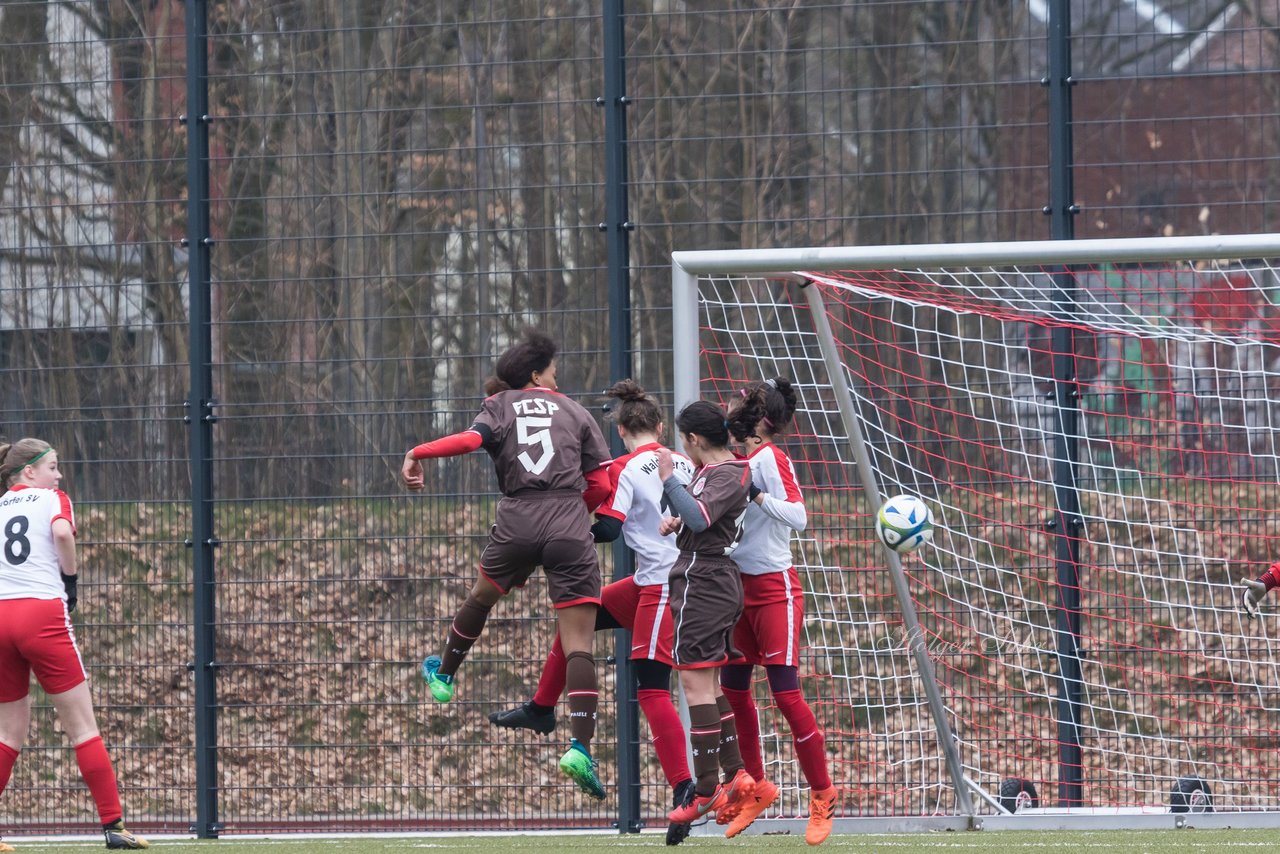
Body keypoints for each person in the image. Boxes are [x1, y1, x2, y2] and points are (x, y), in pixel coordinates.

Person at [401, 329, 614, 799]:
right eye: (553, 372)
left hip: (517, 517)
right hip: (567, 520)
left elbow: (468, 440)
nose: (557, 379)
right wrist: (576, 513)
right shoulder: (575, 410)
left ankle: (445, 675)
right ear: (537, 374)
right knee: (578, 644)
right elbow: (602, 483)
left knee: (481, 596)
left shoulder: (499, 405)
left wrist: (418, 453)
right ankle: (580, 747)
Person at [488, 379, 700, 845]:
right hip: (669, 581)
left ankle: (686, 787)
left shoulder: (623, 466)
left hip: (666, 585)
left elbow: (606, 528)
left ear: (622, 431)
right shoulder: (684, 460)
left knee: (650, 689)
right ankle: (542, 708)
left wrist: (551, 536)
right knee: (579, 620)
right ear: (660, 427)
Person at [0, 439, 149, 850]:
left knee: (8, 734)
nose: (59, 474)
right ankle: (113, 827)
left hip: (0, 617)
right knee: (83, 728)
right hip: (42, 616)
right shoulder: (52, 498)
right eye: (52, 466)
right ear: (29, 472)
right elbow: (63, 534)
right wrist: (70, 583)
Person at [716, 378, 839, 845]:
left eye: (743, 402)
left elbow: (801, 517)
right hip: (736, 588)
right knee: (734, 691)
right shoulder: (740, 459)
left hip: (774, 590)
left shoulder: (770, 458)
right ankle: (755, 788)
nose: (733, 406)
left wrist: (759, 497)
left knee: (786, 696)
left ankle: (823, 794)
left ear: (760, 419)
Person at [657, 400, 760, 827]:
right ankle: (738, 775)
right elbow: (698, 517)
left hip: (705, 582)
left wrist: (668, 479)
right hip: (710, 578)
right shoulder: (712, 473)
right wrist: (676, 521)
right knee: (709, 683)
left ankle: (704, 790)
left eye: (685, 441)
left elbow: (701, 517)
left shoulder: (728, 473)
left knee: (693, 683)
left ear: (694, 440)